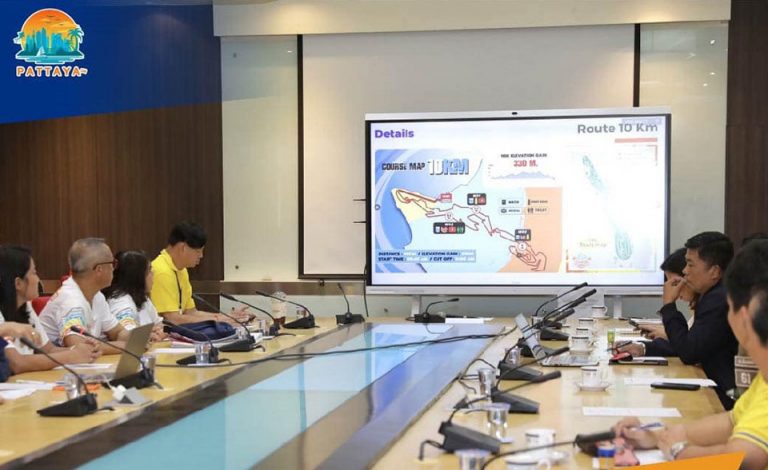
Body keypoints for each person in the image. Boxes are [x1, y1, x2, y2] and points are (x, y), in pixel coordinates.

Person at [613, 240, 768, 468]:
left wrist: (680, 451)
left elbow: (744, 459)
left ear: (743, 318)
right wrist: (658, 436)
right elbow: (731, 422)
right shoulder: (763, 382)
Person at [621, 232, 737, 409]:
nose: (685, 271)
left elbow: (689, 352)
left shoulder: (717, 300)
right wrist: (644, 348)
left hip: (725, 397)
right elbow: (692, 343)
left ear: (714, 271)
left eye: (690, 264)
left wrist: (669, 306)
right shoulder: (714, 295)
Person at [0, 246, 100, 374]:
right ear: (18, 283)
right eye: (34, 273)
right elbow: (16, 363)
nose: (38, 280)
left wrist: (82, 350)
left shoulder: (25, 306)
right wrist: (71, 356)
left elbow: (48, 350)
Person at [39, 238, 131, 354]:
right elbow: (79, 347)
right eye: (112, 263)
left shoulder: (96, 295)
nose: (113, 269)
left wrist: (138, 339)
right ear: (99, 269)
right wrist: (125, 346)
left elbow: (117, 332)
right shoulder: (71, 300)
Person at [150, 222, 249, 325]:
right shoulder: (161, 271)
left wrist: (227, 317)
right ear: (183, 248)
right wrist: (219, 320)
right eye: (198, 251)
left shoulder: (181, 270)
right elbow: (172, 319)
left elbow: (191, 312)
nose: (201, 256)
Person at [102, 250, 165, 343]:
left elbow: (159, 325)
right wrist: (148, 335)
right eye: (149, 270)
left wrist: (159, 331)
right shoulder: (121, 303)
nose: (153, 273)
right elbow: (129, 337)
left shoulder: (142, 297)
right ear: (137, 276)